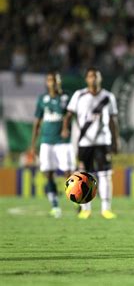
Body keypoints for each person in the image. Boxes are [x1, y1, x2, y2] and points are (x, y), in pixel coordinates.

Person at [61, 68, 120, 219]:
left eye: (95, 76)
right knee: (84, 176)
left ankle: (106, 209)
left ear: (100, 78)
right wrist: (65, 129)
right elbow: (68, 114)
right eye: (90, 76)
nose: (93, 79)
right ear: (86, 79)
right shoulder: (79, 95)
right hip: (84, 142)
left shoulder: (108, 96)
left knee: (105, 175)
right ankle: (85, 209)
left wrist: (115, 141)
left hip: (103, 141)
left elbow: (113, 121)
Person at [30, 72, 75, 218]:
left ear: (60, 81)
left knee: (69, 173)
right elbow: (37, 122)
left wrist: (66, 128)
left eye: (55, 80)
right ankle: (55, 206)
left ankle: (76, 199)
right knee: (48, 174)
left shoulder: (67, 97)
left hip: (63, 142)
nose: (53, 83)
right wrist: (33, 144)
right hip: (46, 141)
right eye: (50, 80)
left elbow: (71, 115)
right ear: (46, 82)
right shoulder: (42, 99)